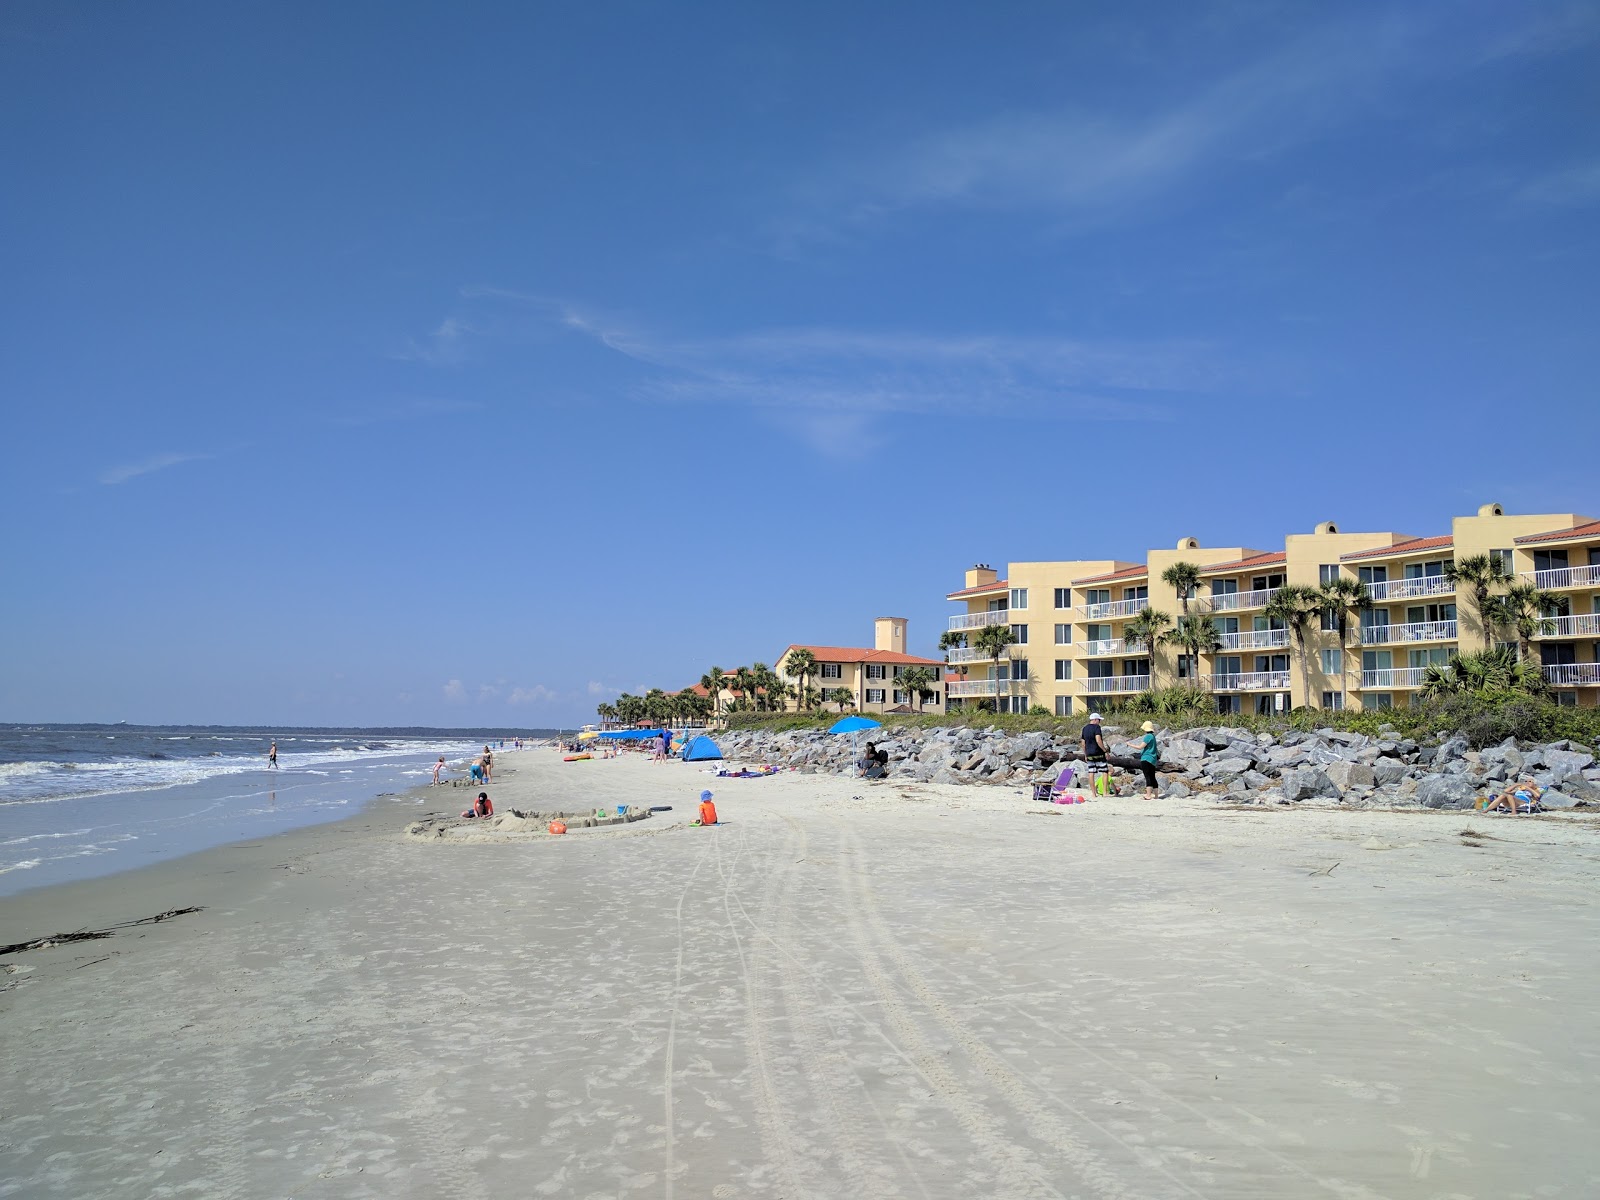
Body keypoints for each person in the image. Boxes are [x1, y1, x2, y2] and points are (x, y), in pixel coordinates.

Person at [1081, 713, 1110, 793]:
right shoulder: (1097, 727)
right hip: (1098, 752)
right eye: (1099, 720)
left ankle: (1093, 793)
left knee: (1091, 771)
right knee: (1104, 771)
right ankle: (1104, 792)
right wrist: (1105, 751)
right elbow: (1098, 740)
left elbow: (1083, 743)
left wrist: (1085, 754)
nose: (1099, 722)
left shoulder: (1084, 728)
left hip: (1089, 753)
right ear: (1095, 720)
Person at [1135, 720, 1159, 799]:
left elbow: (1140, 747)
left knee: (1147, 776)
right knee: (1152, 777)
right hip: (1152, 759)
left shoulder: (1148, 736)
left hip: (1146, 758)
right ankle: (1156, 795)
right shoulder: (1153, 736)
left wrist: (1130, 744)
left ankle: (1148, 795)